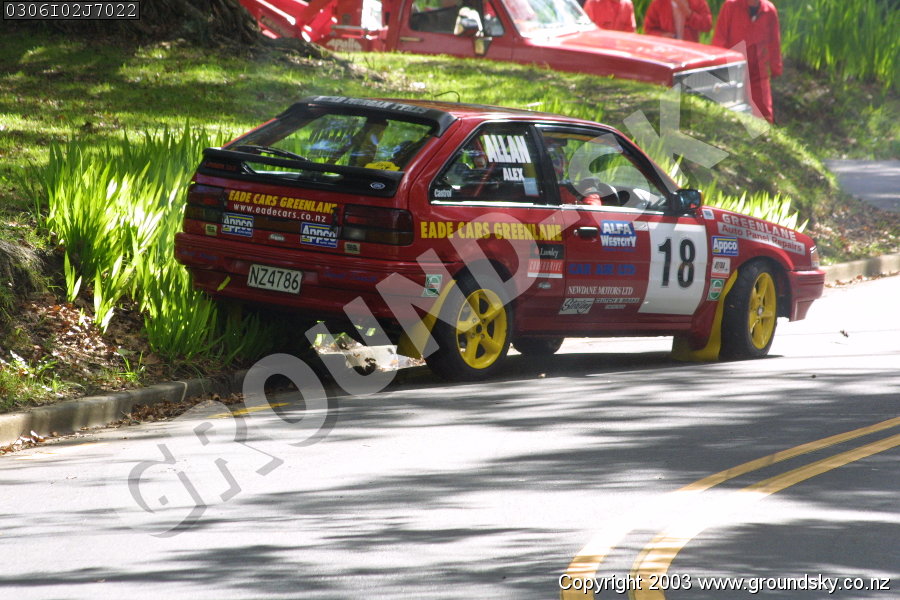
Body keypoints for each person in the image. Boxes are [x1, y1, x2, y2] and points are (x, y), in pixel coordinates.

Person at [712, 0, 782, 123]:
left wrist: (776, 68)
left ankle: (764, 135)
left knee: (764, 115)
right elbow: (719, 38)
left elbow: (774, 43)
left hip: (757, 72)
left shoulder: (769, 11)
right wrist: (717, 67)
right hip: (733, 69)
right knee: (727, 113)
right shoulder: (731, 6)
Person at [643, 0, 712, 43]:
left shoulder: (698, 2)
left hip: (689, 51)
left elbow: (707, 25)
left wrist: (689, 13)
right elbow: (649, 29)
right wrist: (662, 36)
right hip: (667, 50)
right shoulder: (659, 3)